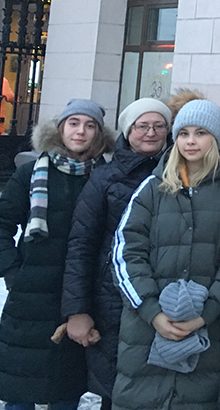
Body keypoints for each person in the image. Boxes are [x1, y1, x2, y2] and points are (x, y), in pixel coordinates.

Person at [111, 99, 220, 410]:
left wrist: (207, 312)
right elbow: (126, 252)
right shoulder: (152, 188)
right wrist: (151, 311)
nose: (190, 141)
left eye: (201, 133)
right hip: (145, 334)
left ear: (216, 139)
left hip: (210, 336)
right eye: (183, 133)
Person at [0, 99, 115, 410]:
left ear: (98, 134)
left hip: (80, 300)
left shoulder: (106, 178)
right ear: (60, 128)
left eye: (90, 126)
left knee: (65, 392)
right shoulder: (31, 173)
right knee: (20, 391)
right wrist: (13, 273)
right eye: (74, 123)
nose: (80, 131)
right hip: (30, 299)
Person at [61, 97, 174, 410]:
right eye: (142, 126)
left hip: (167, 296)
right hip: (112, 301)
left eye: (159, 126)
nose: (150, 132)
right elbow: (81, 244)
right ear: (128, 130)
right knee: (118, 392)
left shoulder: (179, 173)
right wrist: (77, 310)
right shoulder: (105, 178)